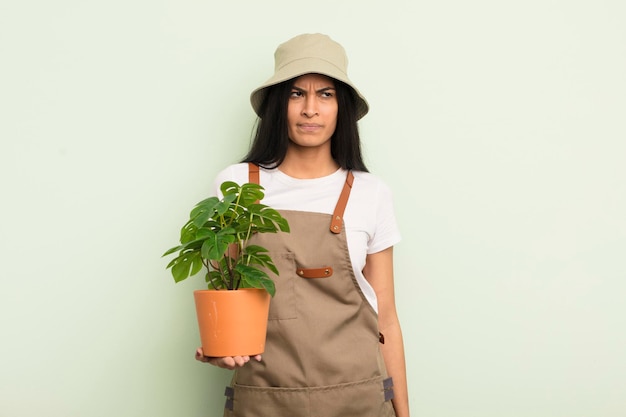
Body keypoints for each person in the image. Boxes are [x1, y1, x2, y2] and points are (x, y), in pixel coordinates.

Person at [195, 33, 410, 417]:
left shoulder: (370, 192)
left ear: (341, 107)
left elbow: (387, 320)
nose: (310, 109)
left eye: (325, 95)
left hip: (359, 399)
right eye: (297, 94)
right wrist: (218, 347)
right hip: (264, 400)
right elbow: (224, 290)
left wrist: (403, 413)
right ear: (279, 105)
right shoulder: (239, 185)